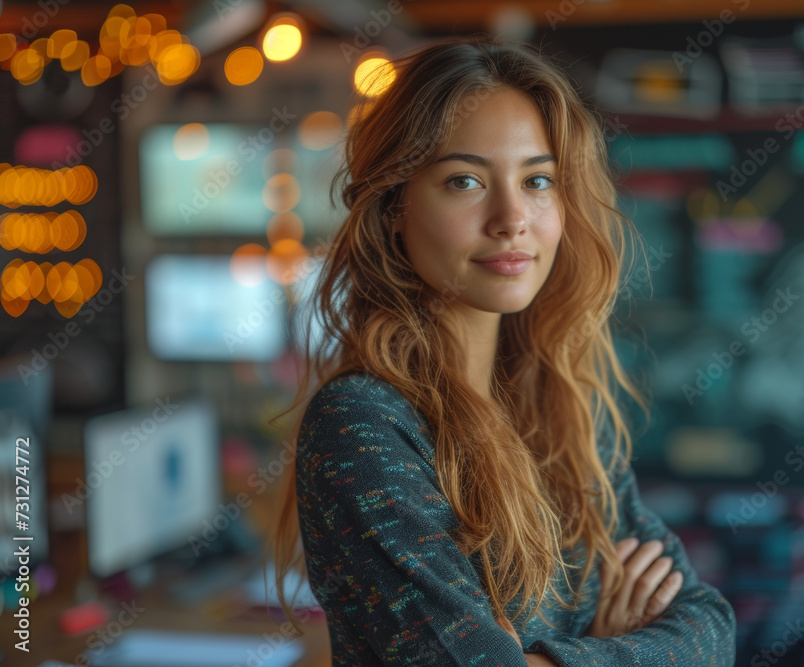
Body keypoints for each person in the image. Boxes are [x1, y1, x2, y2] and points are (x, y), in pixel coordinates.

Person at [270, 35, 737, 666]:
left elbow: (711, 628)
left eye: (538, 179)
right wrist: (605, 646)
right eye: (464, 180)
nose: (512, 217)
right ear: (392, 209)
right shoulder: (365, 425)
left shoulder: (567, 408)